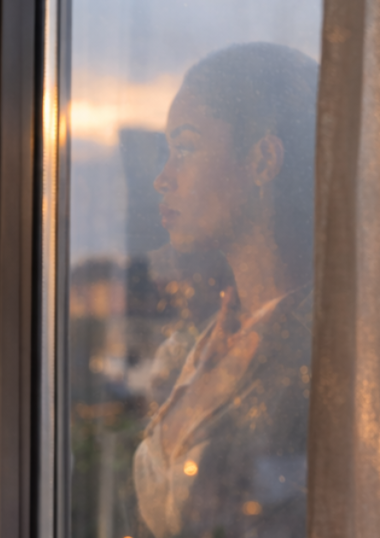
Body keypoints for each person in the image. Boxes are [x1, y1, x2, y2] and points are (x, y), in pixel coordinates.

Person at [133, 42, 318, 538]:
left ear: (263, 159)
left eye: (185, 148)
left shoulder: (330, 359)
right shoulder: (195, 343)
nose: (163, 179)